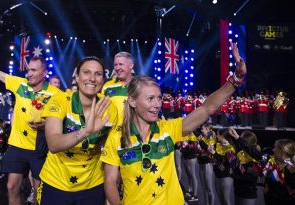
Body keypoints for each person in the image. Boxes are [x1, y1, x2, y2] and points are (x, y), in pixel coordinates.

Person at [101, 42, 247, 205]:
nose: (157, 104)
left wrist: (235, 80)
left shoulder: (168, 129)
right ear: (133, 102)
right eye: (150, 99)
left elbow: (207, 108)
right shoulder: (116, 138)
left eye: (159, 98)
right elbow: (110, 182)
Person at [0, 30, 62, 205]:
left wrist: (45, 126)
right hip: (17, 145)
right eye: (28, 70)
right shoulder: (20, 85)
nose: (29, 73)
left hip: (39, 148)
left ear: (44, 72)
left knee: (39, 190)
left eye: (34, 70)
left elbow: (62, 122)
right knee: (12, 187)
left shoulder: (56, 94)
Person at [39, 56, 118, 204]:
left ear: (103, 79)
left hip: (92, 183)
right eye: (86, 72)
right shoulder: (60, 100)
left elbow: (111, 155)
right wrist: (85, 132)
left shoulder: (109, 108)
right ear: (77, 76)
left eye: (98, 74)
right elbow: (53, 144)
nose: (92, 78)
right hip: (57, 181)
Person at [101, 51, 134, 126]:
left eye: (121, 64)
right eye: (115, 65)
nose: (117, 68)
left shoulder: (139, 85)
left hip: (134, 135)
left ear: (131, 65)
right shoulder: (107, 86)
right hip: (111, 135)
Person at [263, 139, 295, 205]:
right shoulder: (275, 164)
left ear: (283, 151)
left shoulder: (291, 168)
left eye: (275, 147)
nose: (273, 150)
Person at [197, 123, 216, 205]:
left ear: (208, 130)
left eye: (203, 129)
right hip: (201, 162)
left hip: (207, 163)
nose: (201, 130)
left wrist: (200, 141)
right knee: (204, 187)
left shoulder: (211, 137)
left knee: (209, 188)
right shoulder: (203, 137)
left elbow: (207, 148)